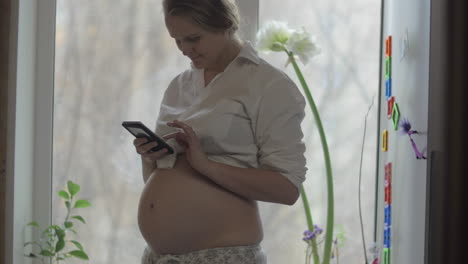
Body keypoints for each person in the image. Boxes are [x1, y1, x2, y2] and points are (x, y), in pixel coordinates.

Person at [133, 0, 307, 263]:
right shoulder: (178, 86)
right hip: (158, 256)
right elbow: (157, 179)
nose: (184, 50)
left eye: (193, 38)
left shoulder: (268, 85)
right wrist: (149, 157)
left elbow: (287, 189)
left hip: (222, 255)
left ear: (226, 24)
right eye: (177, 40)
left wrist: (206, 166)